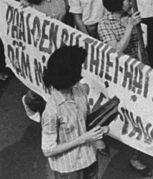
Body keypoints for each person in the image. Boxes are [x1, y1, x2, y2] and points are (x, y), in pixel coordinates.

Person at [40, 45, 107, 178]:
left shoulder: (80, 91)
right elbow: (48, 150)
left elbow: (84, 120)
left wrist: (100, 129)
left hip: (89, 159)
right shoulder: (52, 111)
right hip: (69, 169)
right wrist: (83, 139)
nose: (82, 73)